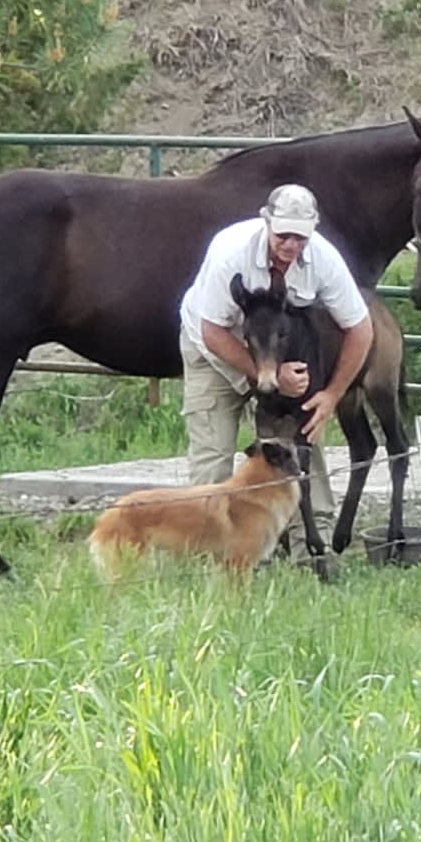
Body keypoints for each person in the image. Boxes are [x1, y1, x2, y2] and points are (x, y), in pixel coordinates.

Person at [179, 183, 374, 562]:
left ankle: (309, 551)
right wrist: (266, 375)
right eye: (283, 234)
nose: (290, 244)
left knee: (297, 442)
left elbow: (360, 328)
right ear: (266, 222)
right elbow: (212, 331)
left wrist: (331, 395)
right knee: (212, 455)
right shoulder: (231, 254)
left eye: (300, 237)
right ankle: (207, 556)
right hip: (215, 350)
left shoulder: (323, 260)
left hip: (279, 359)